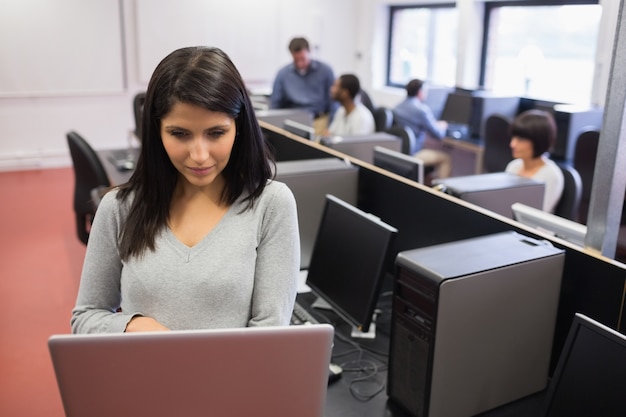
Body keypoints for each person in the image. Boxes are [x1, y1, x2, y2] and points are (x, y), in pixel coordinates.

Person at [71, 46, 300, 333]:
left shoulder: (271, 205)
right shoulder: (119, 208)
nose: (200, 155)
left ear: (238, 128)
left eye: (216, 133)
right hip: (144, 376)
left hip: (233, 377)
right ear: (157, 131)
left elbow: (270, 334)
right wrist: (132, 326)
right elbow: (86, 317)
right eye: (180, 134)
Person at [269, 37, 336, 136]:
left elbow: (334, 102)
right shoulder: (283, 74)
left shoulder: (325, 71)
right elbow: (275, 104)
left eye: (303, 59)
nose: (300, 63)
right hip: (292, 122)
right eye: (296, 60)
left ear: (309, 52)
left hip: (319, 121)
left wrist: (331, 126)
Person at [505, 109, 564, 213]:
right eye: (514, 137)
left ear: (538, 142)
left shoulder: (551, 175)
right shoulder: (513, 167)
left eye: (521, 140)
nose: (512, 144)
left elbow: (538, 215)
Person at [393, 79, 452, 178]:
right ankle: (441, 190)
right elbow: (438, 134)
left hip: (400, 151)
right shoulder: (421, 110)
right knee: (445, 158)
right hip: (414, 153)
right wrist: (442, 126)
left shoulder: (397, 107)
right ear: (420, 92)